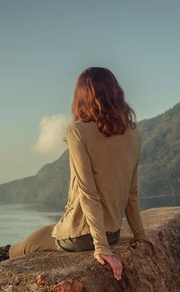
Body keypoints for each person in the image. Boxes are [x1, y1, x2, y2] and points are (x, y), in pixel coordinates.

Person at [9, 67, 153, 281]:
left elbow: (88, 193)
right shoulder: (134, 135)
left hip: (82, 236)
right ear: (116, 93)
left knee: (17, 249)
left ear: (81, 96)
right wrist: (140, 235)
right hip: (114, 233)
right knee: (49, 230)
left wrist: (101, 248)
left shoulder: (77, 131)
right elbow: (132, 194)